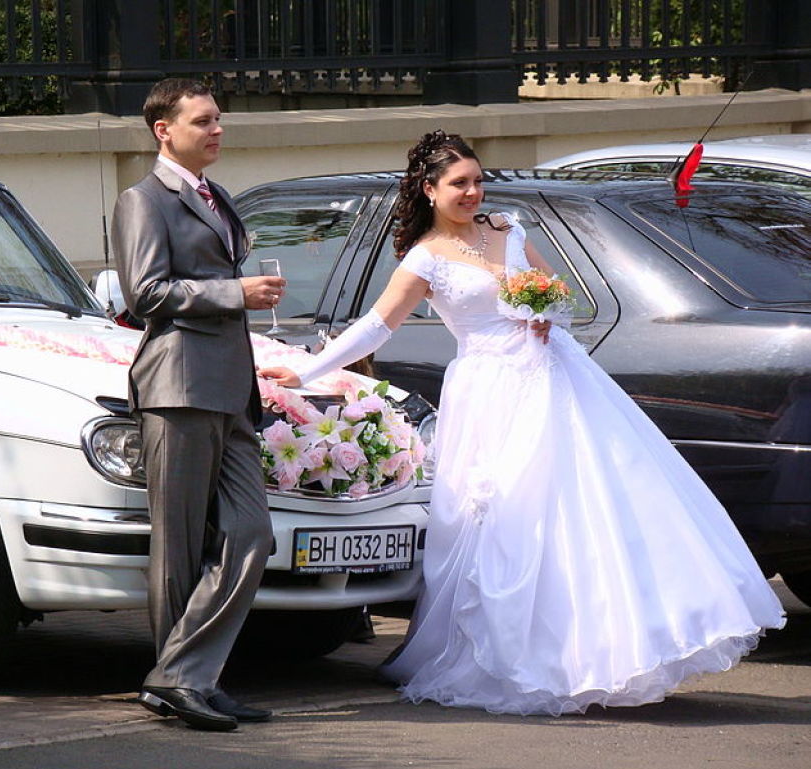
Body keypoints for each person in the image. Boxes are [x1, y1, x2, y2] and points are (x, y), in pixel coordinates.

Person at [258, 130, 786, 716]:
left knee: (582, 507)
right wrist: (307, 371)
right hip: (489, 390)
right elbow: (377, 326)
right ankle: (510, 654)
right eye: (459, 183)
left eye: (478, 180)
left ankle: (600, 651)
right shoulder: (426, 257)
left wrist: (544, 312)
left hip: (553, 375)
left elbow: (560, 295)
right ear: (430, 191)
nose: (472, 192)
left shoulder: (509, 230)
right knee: (505, 516)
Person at [112, 78, 285, 731]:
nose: (218, 129)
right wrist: (234, 292)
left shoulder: (218, 197)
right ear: (165, 130)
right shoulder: (143, 199)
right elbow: (146, 293)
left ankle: (182, 675)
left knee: (251, 531)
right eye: (204, 120)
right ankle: (185, 683)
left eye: (219, 120)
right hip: (177, 386)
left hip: (232, 390)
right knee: (179, 546)